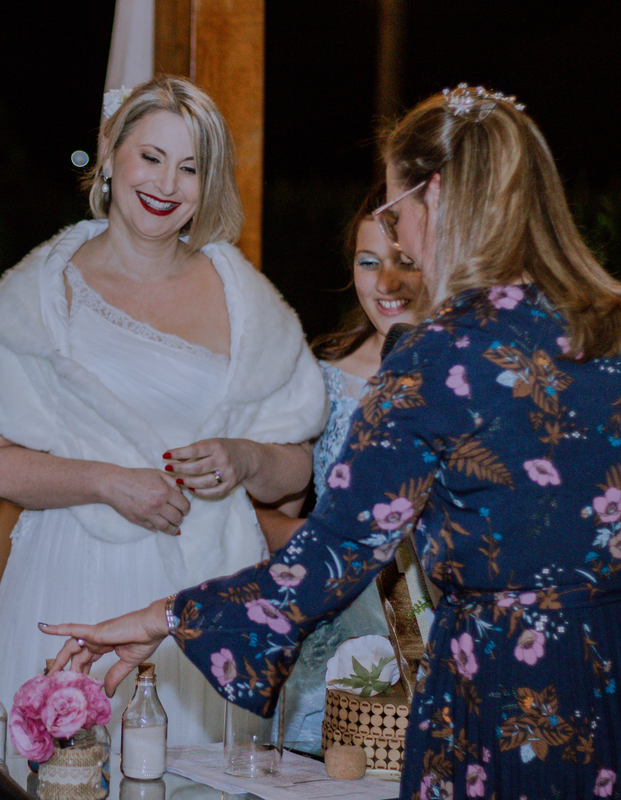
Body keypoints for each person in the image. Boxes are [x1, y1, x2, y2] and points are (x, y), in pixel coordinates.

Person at [44, 85, 621, 798]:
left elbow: (333, 553)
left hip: (501, 689)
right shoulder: (609, 332)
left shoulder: (437, 356)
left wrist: (165, 617)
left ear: (436, 196)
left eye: (395, 214)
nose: (399, 241)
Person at [0, 76, 328, 746]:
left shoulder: (244, 297)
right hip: (73, 568)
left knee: (194, 772)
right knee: (63, 771)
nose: (166, 184)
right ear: (111, 152)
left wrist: (245, 458)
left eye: (190, 168)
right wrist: (108, 482)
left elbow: (295, 470)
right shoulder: (40, 290)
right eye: (151, 157)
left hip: (205, 588)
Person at [254, 185, 430, 755]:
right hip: (339, 649)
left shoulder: (474, 371)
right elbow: (264, 518)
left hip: (448, 639)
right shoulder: (320, 375)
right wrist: (334, 542)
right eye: (368, 262)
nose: (385, 283)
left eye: (404, 262)